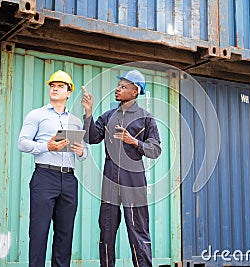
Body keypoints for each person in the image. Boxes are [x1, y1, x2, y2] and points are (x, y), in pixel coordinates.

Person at [81, 69, 161, 267]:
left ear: (135, 91)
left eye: (123, 86)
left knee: (138, 231)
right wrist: (89, 113)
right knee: (106, 231)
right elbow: (91, 138)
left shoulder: (145, 118)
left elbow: (155, 149)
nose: (118, 89)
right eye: (118, 85)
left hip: (133, 182)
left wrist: (134, 142)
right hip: (110, 180)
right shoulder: (108, 116)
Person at [18, 70, 87, 267]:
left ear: (69, 92)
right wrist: (46, 146)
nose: (55, 88)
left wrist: (81, 151)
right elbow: (22, 143)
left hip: (69, 180)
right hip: (45, 177)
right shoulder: (37, 115)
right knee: (39, 231)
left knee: (65, 234)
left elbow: (85, 155)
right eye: (53, 86)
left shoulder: (75, 121)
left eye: (60, 86)